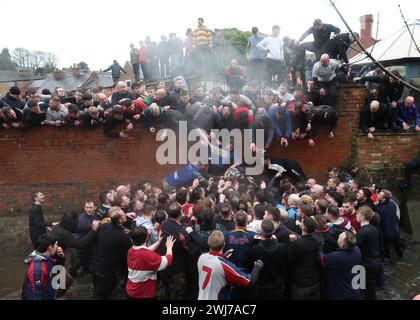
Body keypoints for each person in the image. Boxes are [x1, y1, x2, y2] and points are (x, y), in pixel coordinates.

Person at [197, 230, 264, 300]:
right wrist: (257, 266)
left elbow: (213, 265)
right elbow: (249, 282)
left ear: (208, 243)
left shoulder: (201, 258)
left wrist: (223, 257)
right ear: (224, 245)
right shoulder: (224, 266)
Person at [90, 207, 132, 300]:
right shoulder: (123, 236)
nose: (125, 215)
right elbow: (131, 252)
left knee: (96, 291)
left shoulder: (105, 226)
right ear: (120, 220)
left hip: (94, 264)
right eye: (124, 215)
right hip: (105, 270)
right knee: (104, 295)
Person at [126, 226, 175, 300]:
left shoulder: (131, 250)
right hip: (144, 294)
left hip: (130, 291)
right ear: (146, 238)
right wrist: (169, 247)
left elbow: (145, 251)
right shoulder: (149, 256)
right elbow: (168, 260)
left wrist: (159, 241)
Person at [243, 220, 288, 299]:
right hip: (277, 288)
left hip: (260, 289)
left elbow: (247, 266)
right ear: (273, 231)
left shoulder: (254, 250)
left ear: (260, 231)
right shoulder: (283, 248)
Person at [158, 202, 195, 300]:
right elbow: (189, 251)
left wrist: (188, 217)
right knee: (177, 295)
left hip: (164, 265)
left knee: (165, 292)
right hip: (177, 270)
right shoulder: (183, 234)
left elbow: (177, 222)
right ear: (181, 213)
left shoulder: (164, 224)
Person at [319, 231, 362, 300]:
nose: (338, 237)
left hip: (341, 293)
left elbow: (321, 259)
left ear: (342, 245)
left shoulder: (337, 257)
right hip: (354, 289)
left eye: (339, 237)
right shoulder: (357, 250)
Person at [21, 234, 65, 300]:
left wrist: (61, 257)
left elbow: (55, 271)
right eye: (56, 245)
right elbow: (35, 295)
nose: (57, 247)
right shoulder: (36, 270)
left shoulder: (46, 257)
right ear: (50, 247)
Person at [288, 217, 321, 300]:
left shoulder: (297, 244)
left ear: (303, 227)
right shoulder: (316, 241)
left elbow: (289, 259)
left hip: (301, 283)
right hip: (314, 280)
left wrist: (291, 243)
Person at [356, 206, 383, 300]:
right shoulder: (374, 228)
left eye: (358, 214)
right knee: (369, 289)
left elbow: (355, 247)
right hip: (376, 262)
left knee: (367, 292)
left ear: (363, 217)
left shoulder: (362, 232)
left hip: (366, 265)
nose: (356, 215)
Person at [376, 190, 403, 259]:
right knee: (398, 248)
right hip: (395, 231)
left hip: (386, 234)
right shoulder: (392, 204)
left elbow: (378, 221)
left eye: (380, 195)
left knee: (387, 249)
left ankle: (389, 258)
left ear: (384, 199)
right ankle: (400, 256)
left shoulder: (379, 209)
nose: (377, 195)